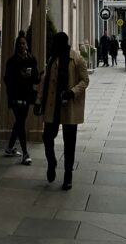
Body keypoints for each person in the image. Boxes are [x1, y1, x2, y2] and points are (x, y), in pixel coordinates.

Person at [35, 31, 89, 191]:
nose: (53, 45)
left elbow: (85, 80)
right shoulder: (52, 58)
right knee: (47, 137)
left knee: (69, 143)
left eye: (56, 42)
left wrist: (72, 92)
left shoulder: (76, 58)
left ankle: (68, 175)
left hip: (68, 106)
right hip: (52, 106)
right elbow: (45, 82)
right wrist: (39, 100)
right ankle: (52, 162)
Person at [3, 33, 39, 165]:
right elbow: (7, 79)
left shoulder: (31, 59)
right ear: (16, 46)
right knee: (20, 122)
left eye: (23, 43)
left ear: (27, 45)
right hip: (15, 96)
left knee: (19, 122)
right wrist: (20, 76)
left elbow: (36, 79)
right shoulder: (12, 61)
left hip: (27, 95)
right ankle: (25, 153)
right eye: (19, 44)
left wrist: (35, 75)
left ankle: (10, 147)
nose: (21, 46)